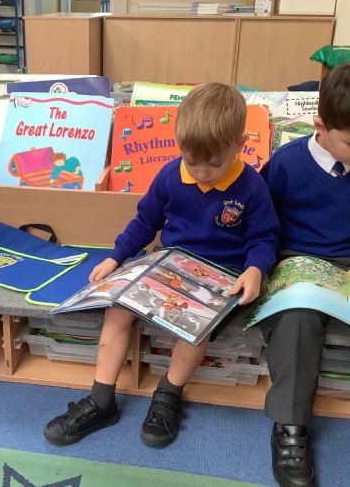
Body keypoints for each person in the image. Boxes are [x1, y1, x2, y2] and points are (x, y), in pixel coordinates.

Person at [44, 82, 280, 448]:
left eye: (215, 163)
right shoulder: (171, 175)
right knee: (116, 309)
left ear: (240, 144)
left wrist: (255, 268)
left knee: (195, 328)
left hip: (221, 277)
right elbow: (145, 222)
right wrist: (116, 256)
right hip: (167, 265)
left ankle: (169, 392)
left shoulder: (252, 185)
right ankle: (101, 400)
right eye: (192, 161)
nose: (202, 172)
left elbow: (264, 238)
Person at [259, 62, 350, 487]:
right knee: (295, 320)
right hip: (296, 258)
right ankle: (290, 425)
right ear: (321, 127)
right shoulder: (286, 163)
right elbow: (261, 222)